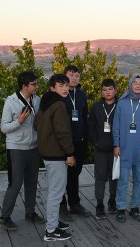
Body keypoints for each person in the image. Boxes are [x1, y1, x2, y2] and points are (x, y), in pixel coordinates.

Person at [0, 71, 44, 230]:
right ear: (25, 86)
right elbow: (4, 127)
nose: (37, 86)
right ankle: (4, 217)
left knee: (32, 183)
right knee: (15, 184)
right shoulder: (10, 102)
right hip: (16, 149)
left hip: (34, 148)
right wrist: (19, 121)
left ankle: (30, 213)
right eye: (34, 84)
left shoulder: (37, 100)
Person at [34, 74, 74, 241]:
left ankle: (54, 222)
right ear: (52, 88)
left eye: (66, 85)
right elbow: (63, 132)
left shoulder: (45, 103)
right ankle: (51, 230)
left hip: (47, 152)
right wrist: (70, 153)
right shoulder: (59, 105)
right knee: (56, 193)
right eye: (60, 85)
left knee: (54, 190)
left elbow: (36, 125)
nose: (65, 88)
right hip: (56, 154)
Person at [114, 75, 140, 222]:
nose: (137, 85)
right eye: (134, 83)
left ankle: (135, 206)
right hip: (124, 147)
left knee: (139, 179)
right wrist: (116, 145)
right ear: (130, 85)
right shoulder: (121, 103)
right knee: (123, 180)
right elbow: (116, 126)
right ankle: (121, 208)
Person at [61, 65, 90, 216]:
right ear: (65, 76)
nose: (74, 78)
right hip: (64, 143)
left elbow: (85, 117)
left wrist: (86, 138)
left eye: (77, 75)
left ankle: (75, 203)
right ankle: (62, 205)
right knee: (62, 175)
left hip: (80, 141)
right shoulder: (60, 94)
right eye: (71, 75)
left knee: (75, 174)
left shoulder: (82, 95)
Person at [88, 79, 119, 219]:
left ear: (115, 90)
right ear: (102, 91)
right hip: (100, 148)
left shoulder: (120, 106)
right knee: (100, 177)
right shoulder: (96, 106)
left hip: (116, 148)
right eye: (104, 89)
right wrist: (95, 142)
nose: (107, 92)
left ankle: (112, 200)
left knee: (114, 176)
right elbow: (91, 125)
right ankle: (99, 204)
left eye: (110, 89)